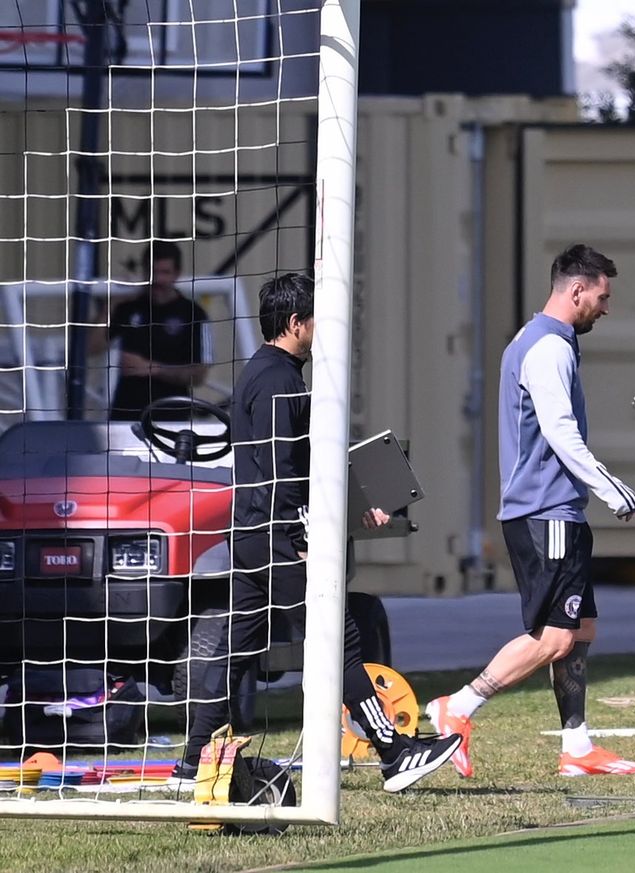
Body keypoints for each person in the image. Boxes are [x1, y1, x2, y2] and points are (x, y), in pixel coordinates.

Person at [174, 273, 460, 793]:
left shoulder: (258, 374)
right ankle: (397, 754)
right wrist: (299, 537)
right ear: (295, 324)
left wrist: (357, 501)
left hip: (250, 533)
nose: (324, 332)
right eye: (317, 322)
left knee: (236, 650)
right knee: (340, 639)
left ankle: (194, 758)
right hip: (276, 534)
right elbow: (282, 469)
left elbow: (289, 463)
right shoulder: (280, 380)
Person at [425, 244, 635, 779]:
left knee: (582, 627)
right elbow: (560, 431)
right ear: (576, 290)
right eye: (602, 296)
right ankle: (457, 707)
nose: (606, 308)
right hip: (544, 513)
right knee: (554, 636)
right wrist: (613, 489)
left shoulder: (541, 340)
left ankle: (577, 747)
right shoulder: (547, 348)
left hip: (557, 511)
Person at [99, 241, 214, 420]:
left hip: (172, 419)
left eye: (164, 272)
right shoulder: (128, 308)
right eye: (152, 272)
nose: (158, 279)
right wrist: (110, 305)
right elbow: (89, 348)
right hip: (125, 417)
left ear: (177, 273)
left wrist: (153, 369)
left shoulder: (195, 314)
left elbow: (199, 375)